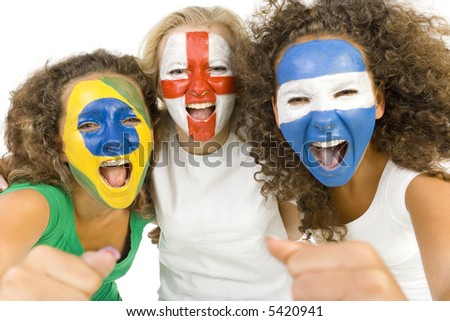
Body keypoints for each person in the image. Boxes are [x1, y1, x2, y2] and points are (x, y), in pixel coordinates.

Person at [240, 0, 450, 300]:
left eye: (346, 92)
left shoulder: (421, 189)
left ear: (378, 100)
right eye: (298, 99)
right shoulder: (293, 188)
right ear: (275, 112)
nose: (324, 118)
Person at [137, 5, 295, 300]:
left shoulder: (269, 137)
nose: (198, 88)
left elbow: (296, 234)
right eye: (178, 71)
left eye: (217, 69)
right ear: (158, 86)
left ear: (241, 78)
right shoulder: (146, 142)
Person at [0, 49, 158, 300]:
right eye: (89, 125)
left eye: (130, 120)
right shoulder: (34, 204)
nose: (114, 142)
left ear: (152, 133)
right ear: (59, 146)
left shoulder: (149, 194)